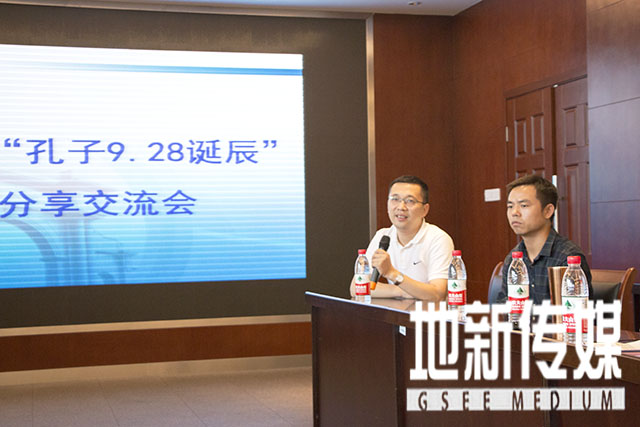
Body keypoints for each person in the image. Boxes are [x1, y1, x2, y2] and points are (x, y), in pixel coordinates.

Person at [350, 175, 454, 300]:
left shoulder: (438, 239)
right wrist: (401, 291)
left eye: (410, 201)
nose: (401, 207)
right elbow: (357, 287)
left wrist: (392, 274)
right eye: (395, 199)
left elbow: (437, 294)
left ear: (425, 210)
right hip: (398, 310)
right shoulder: (383, 236)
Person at [497, 174, 592, 304]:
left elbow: (577, 312)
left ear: (548, 211)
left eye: (523, 205)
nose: (514, 213)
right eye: (510, 206)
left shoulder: (568, 259)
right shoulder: (513, 259)